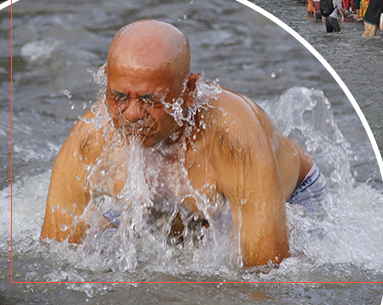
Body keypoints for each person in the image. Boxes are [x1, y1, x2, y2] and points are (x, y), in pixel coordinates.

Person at [40, 21, 322, 268]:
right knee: (97, 250)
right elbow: (54, 254)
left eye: (151, 100)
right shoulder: (91, 139)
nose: (133, 115)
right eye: (120, 97)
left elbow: (266, 277)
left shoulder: (232, 138)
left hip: (291, 196)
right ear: (106, 80)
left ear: (188, 91)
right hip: (170, 207)